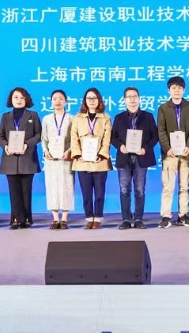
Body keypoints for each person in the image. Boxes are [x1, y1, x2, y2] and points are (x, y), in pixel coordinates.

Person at [110, 86, 157, 230]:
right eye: (129, 97)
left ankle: (138, 219)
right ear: (124, 100)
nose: (132, 99)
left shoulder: (148, 116)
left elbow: (155, 136)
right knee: (124, 189)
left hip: (141, 157)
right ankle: (126, 219)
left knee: (139, 190)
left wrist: (145, 148)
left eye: (134, 96)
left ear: (139, 99)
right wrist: (120, 146)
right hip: (124, 157)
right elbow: (112, 137)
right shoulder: (119, 117)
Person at [157, 75, 189, 228]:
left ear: (184, 90)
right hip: (170, 154)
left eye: (179, 88)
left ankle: (183, 215)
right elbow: (161, 130)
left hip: (186, 154)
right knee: (168, 186)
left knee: (184, 186)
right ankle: (166, 216)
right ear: (169, 90)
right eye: (173, 88)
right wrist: (167, 148)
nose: (176, 90)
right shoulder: (163, 108)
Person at [0, 86, 42, 229]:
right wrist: (5, 146)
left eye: (22, 97)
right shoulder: (5, 116)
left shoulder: (32, 115)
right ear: (11, 99)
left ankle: (27, 219)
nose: (19, 100)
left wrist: (27, 144)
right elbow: (0, 136)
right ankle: (16, 218)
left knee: (26, 190)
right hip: (10, 158)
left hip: (27, 157)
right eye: (16, 97)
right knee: (14, 191)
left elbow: (38, 135)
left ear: (26, 99)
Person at [71, 87, 112, 229]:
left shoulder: (105, 118)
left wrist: (102, 154)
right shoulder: (78, 118)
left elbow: (107, 139)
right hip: (82, 161)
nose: (92, 101)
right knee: (86, 194)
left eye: (94, 98)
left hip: (100, 161)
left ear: (99, 100)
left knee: (99, 193)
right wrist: (78, 154)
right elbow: (74, 137)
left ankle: (98, 218)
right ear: (85, 101)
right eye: (89, 98)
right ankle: (89, 218)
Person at [42, 89, 75, 230]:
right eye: (54, 99)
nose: (57, 101)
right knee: (52, 187)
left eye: (61, 98)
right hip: (51, 159)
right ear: (51, 102)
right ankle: (55, 218)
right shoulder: (46, 119)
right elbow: (43, 138)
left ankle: (65, 218)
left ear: (66, 101)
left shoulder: (72, 118)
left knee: (67, 186)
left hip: (66, 157)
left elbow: (75, 138)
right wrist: (45, 150)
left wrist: (69, 151)